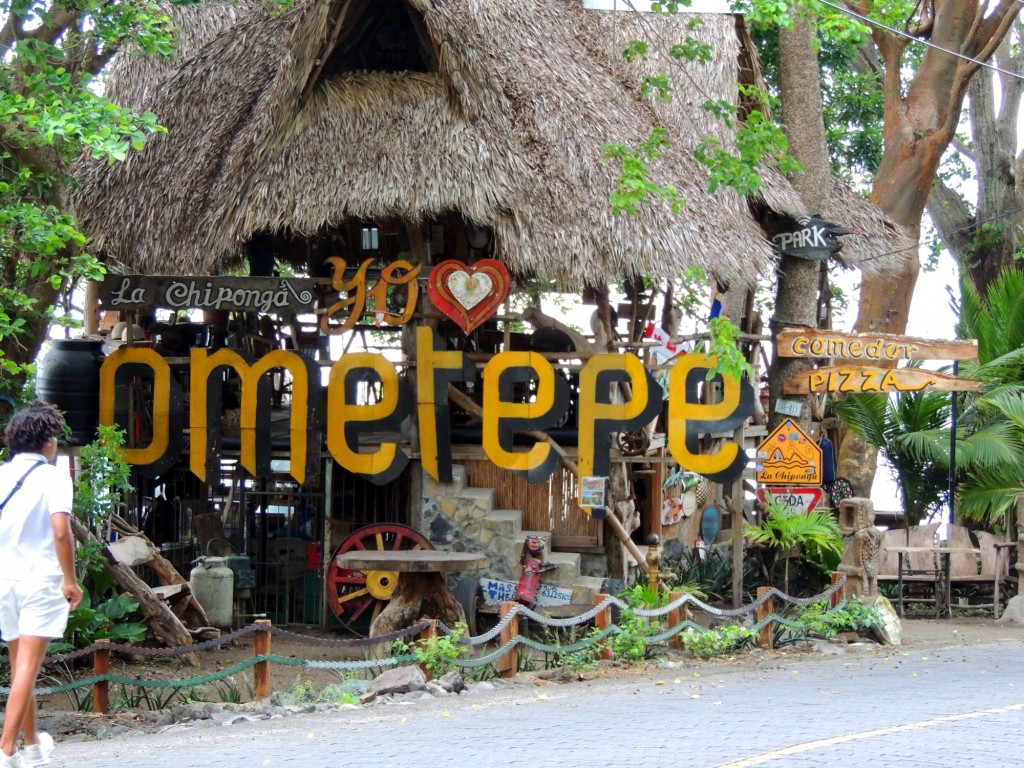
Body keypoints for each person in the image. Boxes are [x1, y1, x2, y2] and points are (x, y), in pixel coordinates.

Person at [0, 401, 82, 767]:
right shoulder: (54, 477)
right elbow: (61, 531)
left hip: (4, 581)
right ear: (47, 441)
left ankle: (32, 748)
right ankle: (5, 751)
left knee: (20, 665)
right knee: (28, 668)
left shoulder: (2, 475)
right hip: (41, 581)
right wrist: (71, 580)